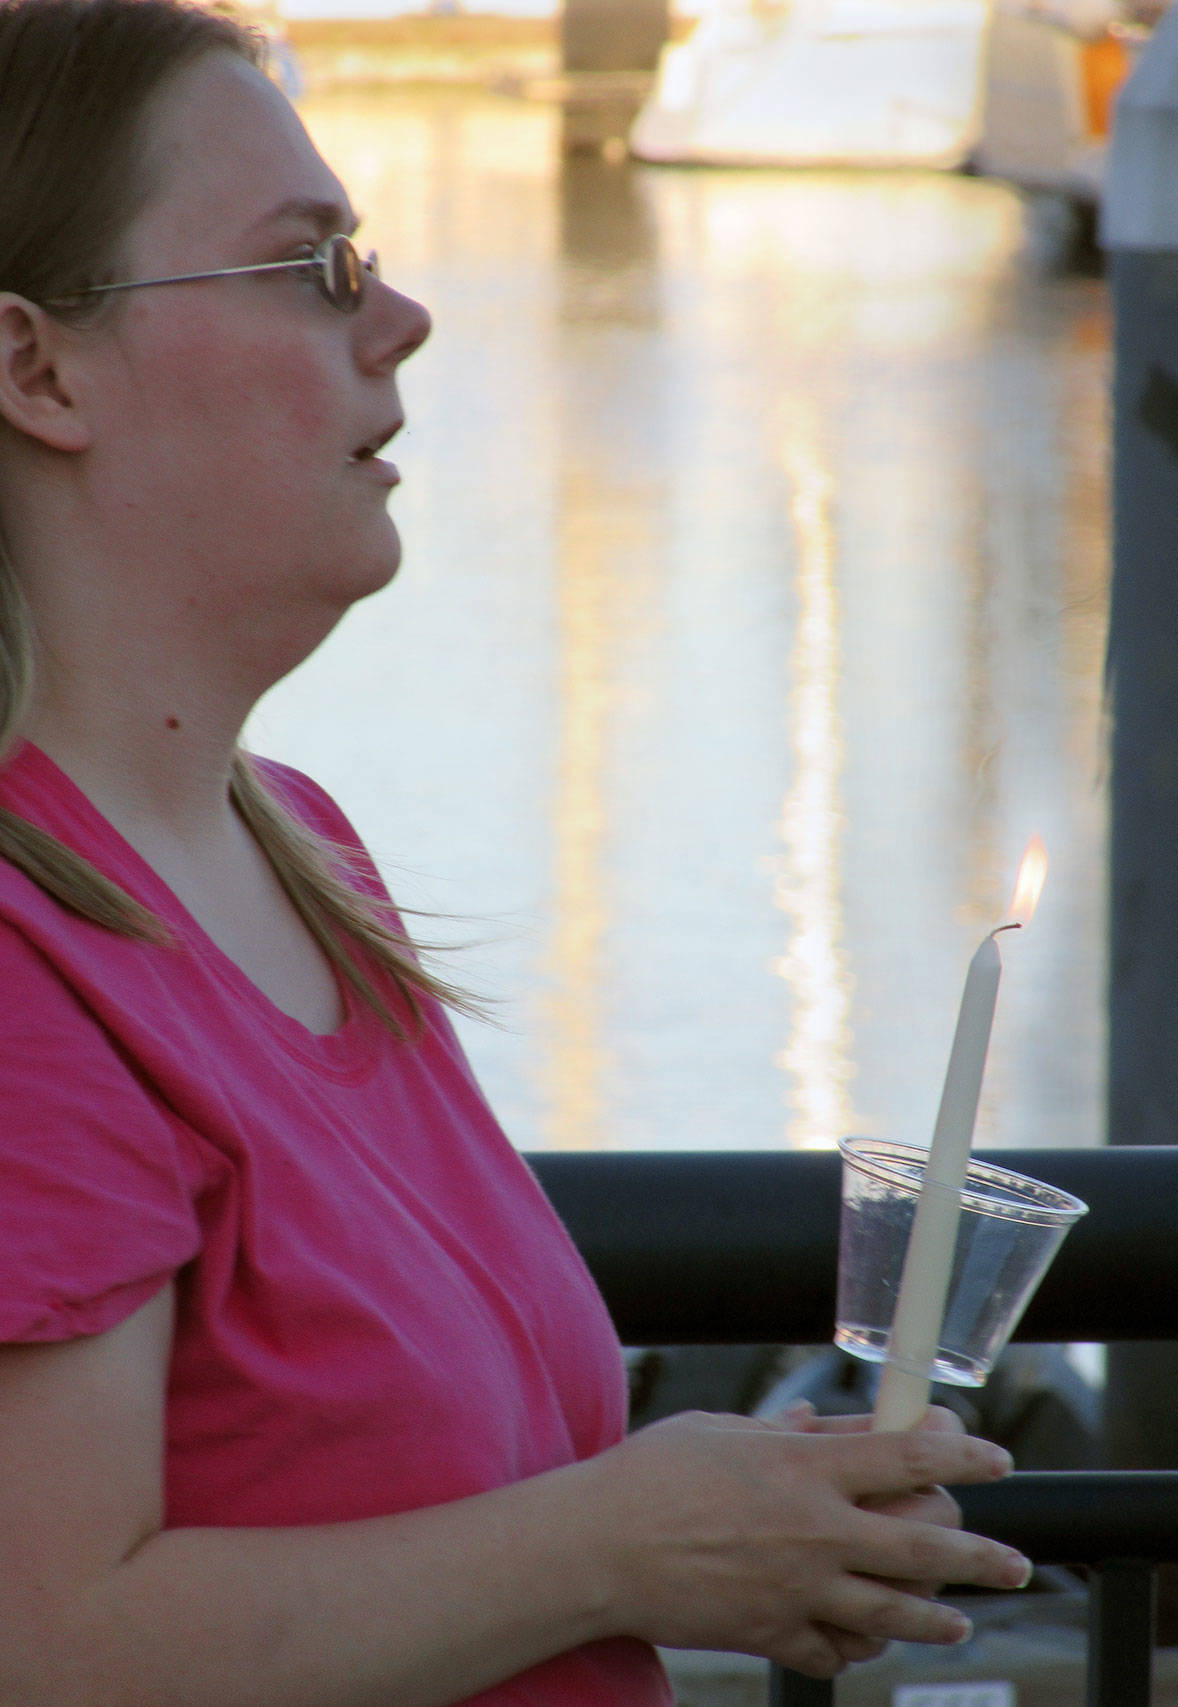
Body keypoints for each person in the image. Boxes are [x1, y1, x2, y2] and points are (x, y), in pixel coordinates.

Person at [0, 2, 1034, 1702]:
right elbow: (53, 1649)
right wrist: (615, 1546)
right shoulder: (25, 958)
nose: (401, 317)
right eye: (314, 264)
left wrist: (739, 1520)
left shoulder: (304, 853)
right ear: (41, 372)